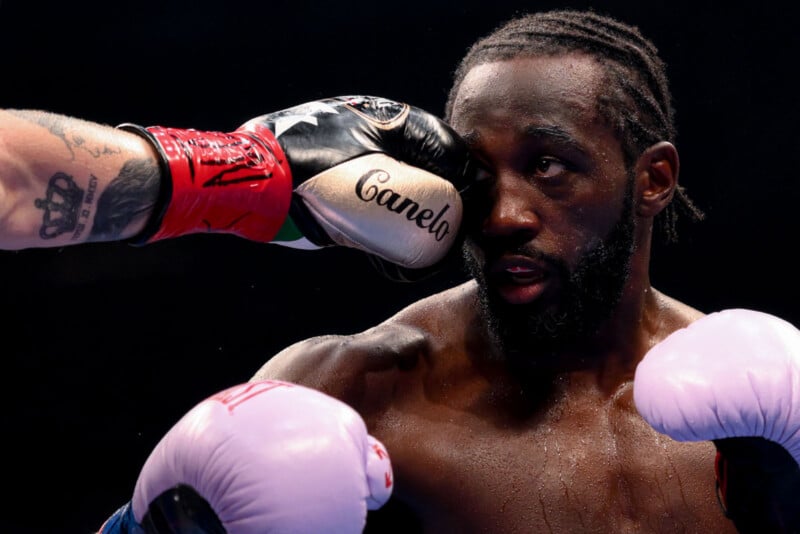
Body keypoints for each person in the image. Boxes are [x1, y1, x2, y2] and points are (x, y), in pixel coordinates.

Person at [2, 9, 797, 534]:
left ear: (653, 179)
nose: (500, 215)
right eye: (477, 176)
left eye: (549, 166)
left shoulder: (775, 394)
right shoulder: (359, 386)